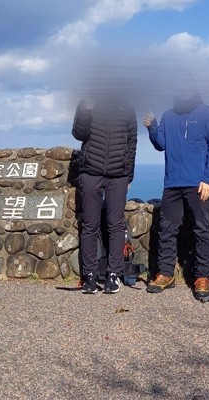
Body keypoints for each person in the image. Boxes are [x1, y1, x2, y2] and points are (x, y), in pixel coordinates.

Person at [144, 71, 209, 300]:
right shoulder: (168, 115)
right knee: (167, 230)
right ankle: (166, 274)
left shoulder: (208, 112)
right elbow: (162, 145)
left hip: (199, 183)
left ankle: (203, 277)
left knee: (202, 230)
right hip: (172, 182)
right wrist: (152, 128)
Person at [72, 91, 137, 295]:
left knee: (115, 224)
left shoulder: (127, 107)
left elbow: (132, 143)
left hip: (118, 175)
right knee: (90, 224)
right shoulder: (88, 101)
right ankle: (89, 275)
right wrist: (84, 110)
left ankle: (113, 275)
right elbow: (78, 133)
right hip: (91, 172)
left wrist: (129, 176)